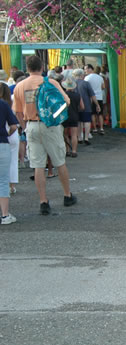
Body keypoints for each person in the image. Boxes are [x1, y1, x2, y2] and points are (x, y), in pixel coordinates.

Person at [12, 55, 77, 215]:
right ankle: (67, 195)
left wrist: (25, 127)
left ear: (27, 69)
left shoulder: (20, 86)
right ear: (42, 67)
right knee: (59, 161)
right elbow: (66, 101)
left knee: (38, 165)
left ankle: (43, 201)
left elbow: (18, 111)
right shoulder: (51, 83)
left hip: (32, 125)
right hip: (51, 126)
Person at [0, 85, 19, 224]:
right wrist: (6, 135)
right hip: (2, 143)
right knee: (2, 180)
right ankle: (5, 215)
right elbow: (13, 126)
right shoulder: (3, 104)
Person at [74, 68, 98, 145]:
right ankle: (86, 138)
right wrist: (97, 104)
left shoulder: (73, 83)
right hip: (86, 104)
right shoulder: (86, 83)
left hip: (76, 106)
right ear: (82, 75)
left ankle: (80, 137)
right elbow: (92, 95)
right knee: (87, 121)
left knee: (79, 122)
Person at [61, 78, 84, 157]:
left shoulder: (63, 95)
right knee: (74, 135)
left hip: (65, 116)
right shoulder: (77, 95)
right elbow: (82, 107)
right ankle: (74, 151)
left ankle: (67, 150)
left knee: (65, 134)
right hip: (74, 115)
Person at [84, 64, 104, 135]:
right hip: (99, 97)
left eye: (85, 69)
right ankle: (101, 128)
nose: (85, 70)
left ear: (90, 69)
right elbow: (103, 87)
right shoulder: (100, 77)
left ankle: (95, 128)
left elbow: (85, 88)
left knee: (93, 114)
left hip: (91, 98)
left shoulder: (87, 78)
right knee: (100, 114)